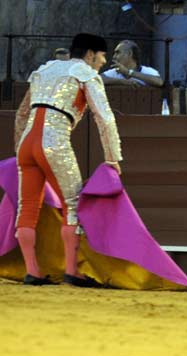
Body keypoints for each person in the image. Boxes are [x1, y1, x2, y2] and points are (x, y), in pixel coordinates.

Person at [13, 33, 122, 286]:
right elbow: (104, 118)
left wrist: (19, 147)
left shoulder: (45, 69)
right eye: (103, 56)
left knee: (27, 207)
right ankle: (72, 270)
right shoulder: (86, 74)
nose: (103, 62)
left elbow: (21, 113)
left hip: (27, 144)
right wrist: (112, 158)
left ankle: (33, 271)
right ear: (90, 54)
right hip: (54, 143)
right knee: (73, 204)